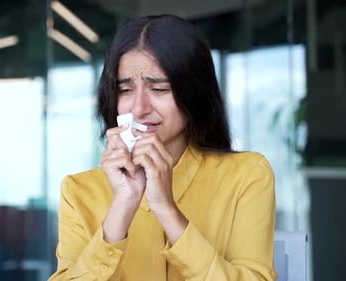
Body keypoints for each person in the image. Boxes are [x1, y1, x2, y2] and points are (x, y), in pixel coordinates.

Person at [49, 14, 276, 281]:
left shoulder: (247, 175)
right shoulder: (78, 192)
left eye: (159, 89)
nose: (139, 108)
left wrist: (166, 210)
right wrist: (122, 206)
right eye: (125, 90)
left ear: (194, 93)